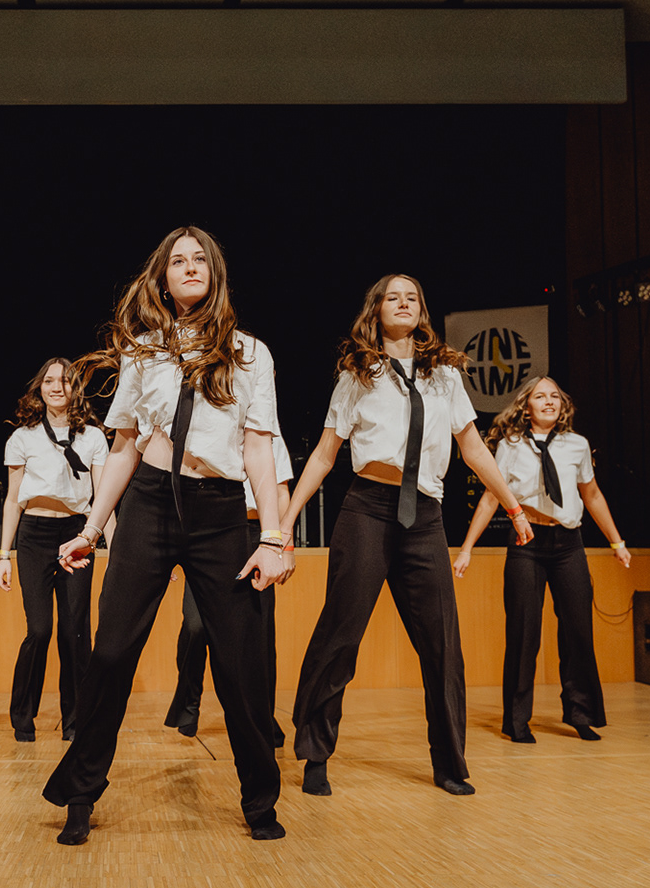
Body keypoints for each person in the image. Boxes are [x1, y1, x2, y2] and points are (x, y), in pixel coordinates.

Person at [44, 226, 293, 846]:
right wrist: (92, 528)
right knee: (110, 653)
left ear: (215, 271)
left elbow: (258, 449)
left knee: (240, 666)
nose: (188, 267)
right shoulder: (143, 352)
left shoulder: (251, 354)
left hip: (220, 513)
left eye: (199, 259)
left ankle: (260, 801)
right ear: (162, 278)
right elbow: (124, 445)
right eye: (177, 261)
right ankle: (80, 793)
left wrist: (273, 536)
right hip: (151, 507)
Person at [282, 275, 534, 797]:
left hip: (425, 517)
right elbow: (326, 455)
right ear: (376, 310)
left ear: (422, 311)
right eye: (392, 297)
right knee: (341, 634)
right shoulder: (357, 373)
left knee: (442, 645)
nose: (403, 303)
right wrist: (285, 522)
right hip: (367, 510)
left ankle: (450, 763)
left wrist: (513, 505)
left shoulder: (445, 376)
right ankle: (315, 754)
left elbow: (473, 449)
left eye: (412, 297)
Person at [463, 375, 629, 743]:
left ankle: (581, 713)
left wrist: (616, 542)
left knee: (578, 630)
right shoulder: (510, 445)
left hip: (568, 543)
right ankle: (517, 721)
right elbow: (490, 497)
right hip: (527, 542)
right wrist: (467, 548)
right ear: (526, 407)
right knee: (524, 633)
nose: (549, 401)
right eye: (540, 396)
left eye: (555, 396)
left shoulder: (577, 445)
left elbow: (592, 495)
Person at [0, 357, 110, 742]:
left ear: (76, 388)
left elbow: (104, 501)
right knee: (40, 629)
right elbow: (13, 501)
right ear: (39, 388)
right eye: (49, 380)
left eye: (64, 381)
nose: (56, 387)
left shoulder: (93, 437)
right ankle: (22, 715)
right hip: (34, 536)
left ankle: (76, 720)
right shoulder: (23, 437)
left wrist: (119, 551)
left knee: (75, 631)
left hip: (77, 534)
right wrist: (3, 555)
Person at [165, 433, 292, 747]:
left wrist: (281, 545)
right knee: (195, 625)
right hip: (210, 533)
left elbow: (281, 493)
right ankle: (188, 702)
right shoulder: (212, 427)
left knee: (259, 633)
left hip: (256, 535)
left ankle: (263, 717)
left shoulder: (269, 436)